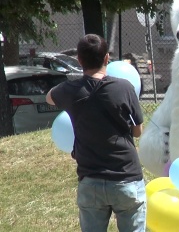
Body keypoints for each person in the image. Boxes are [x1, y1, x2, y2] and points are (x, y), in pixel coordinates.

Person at [46, 34, 146, 232]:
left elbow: (49, 97)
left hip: (90, 180)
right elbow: (137, 131)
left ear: (80, 60)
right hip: (126, 177)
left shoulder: (70, 90)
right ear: (107, 58)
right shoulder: (124, 87)